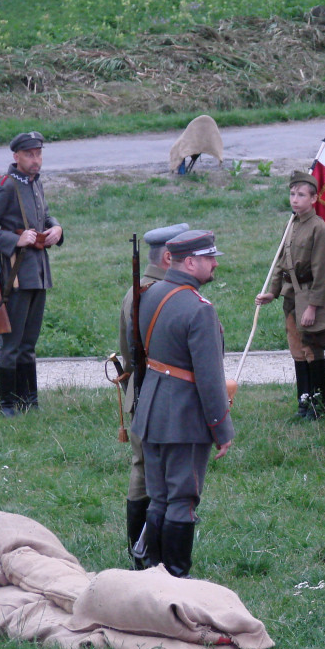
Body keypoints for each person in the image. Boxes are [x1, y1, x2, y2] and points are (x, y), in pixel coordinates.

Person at [131, 230, 234, 578]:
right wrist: (222, 428)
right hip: (184, 418)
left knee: (159, 496)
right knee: (183, 499)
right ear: (190, 262)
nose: (215, 263)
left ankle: (153, 571)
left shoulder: (149, 295)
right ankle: (175, 574)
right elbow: (209, 378)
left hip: (152, 411)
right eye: (210, 258)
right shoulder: (198, 309)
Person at [0, 131, 64, 417]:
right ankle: (8, 405)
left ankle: (30, 401)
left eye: (38, 154)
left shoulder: (36, 184)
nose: (35, 160)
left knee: (29, 344)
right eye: (29, 154)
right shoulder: (5, 186)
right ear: (16, 156)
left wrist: (57, 229)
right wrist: (15, 240)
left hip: (38, 273)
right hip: (15, 275)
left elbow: (45, 216)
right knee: (11, 345)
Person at [118, 222, 188, 569]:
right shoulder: (162, 294)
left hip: (139, 391)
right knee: (157, 474)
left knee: (142, 468)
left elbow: (125, 352)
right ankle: (148, 554)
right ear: (169, 257)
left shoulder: (136, 292)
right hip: (158, 393)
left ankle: (142, 552)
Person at [255, 171, 325, 420]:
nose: (295, 199)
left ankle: (318, 406)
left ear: (314, 198)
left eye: (301, 195)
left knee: (312, 350)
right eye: (292, 194)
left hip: (310, 296)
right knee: (297, 351)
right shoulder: (291, 223)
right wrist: (272, 293)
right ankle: (303, 402)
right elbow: (281, 263)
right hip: (291, 297)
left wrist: (313, 306)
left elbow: (321, 271)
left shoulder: (318, 227)